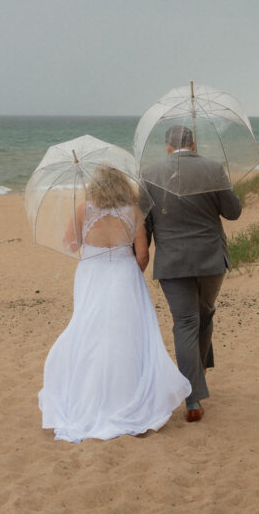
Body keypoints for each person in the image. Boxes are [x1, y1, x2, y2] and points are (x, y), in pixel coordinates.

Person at [38, 165, 191, 443]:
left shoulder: (83, 208)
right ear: (122, 185)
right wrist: (131, 273)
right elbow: (142, 255)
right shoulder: (133, 210)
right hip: (124, 274)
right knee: (126, 334)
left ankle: (88, 394)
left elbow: (70, 245)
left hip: (91, 275)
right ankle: (127, 394)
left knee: (89, 329)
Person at [143, 125, 242, 423]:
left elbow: (145, 224)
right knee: (205, 313)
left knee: (185, 322)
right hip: (210, 259)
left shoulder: (150, 174)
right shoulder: (213, 169)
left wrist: (141, 255)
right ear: (194, 143)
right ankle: (197, 379)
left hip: (172, 262)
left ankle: (192, 398)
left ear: (168, 146)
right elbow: (233, 211)